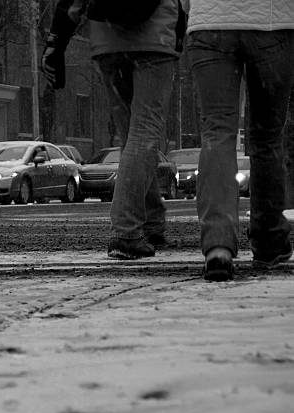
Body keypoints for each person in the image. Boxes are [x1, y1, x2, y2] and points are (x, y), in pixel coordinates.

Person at [42, 0, 185, 259]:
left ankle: (151, 221)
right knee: (144, 134)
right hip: (155, 38)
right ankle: (127, 231)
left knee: (132, 137)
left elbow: (72, 3)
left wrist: (56, 43)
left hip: (108, 42)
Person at [183, 0, 294, 281]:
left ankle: (217, 245)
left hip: (210, 23)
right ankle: (269, 238)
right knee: (267, 136)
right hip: (273, 24)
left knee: (217, 133)